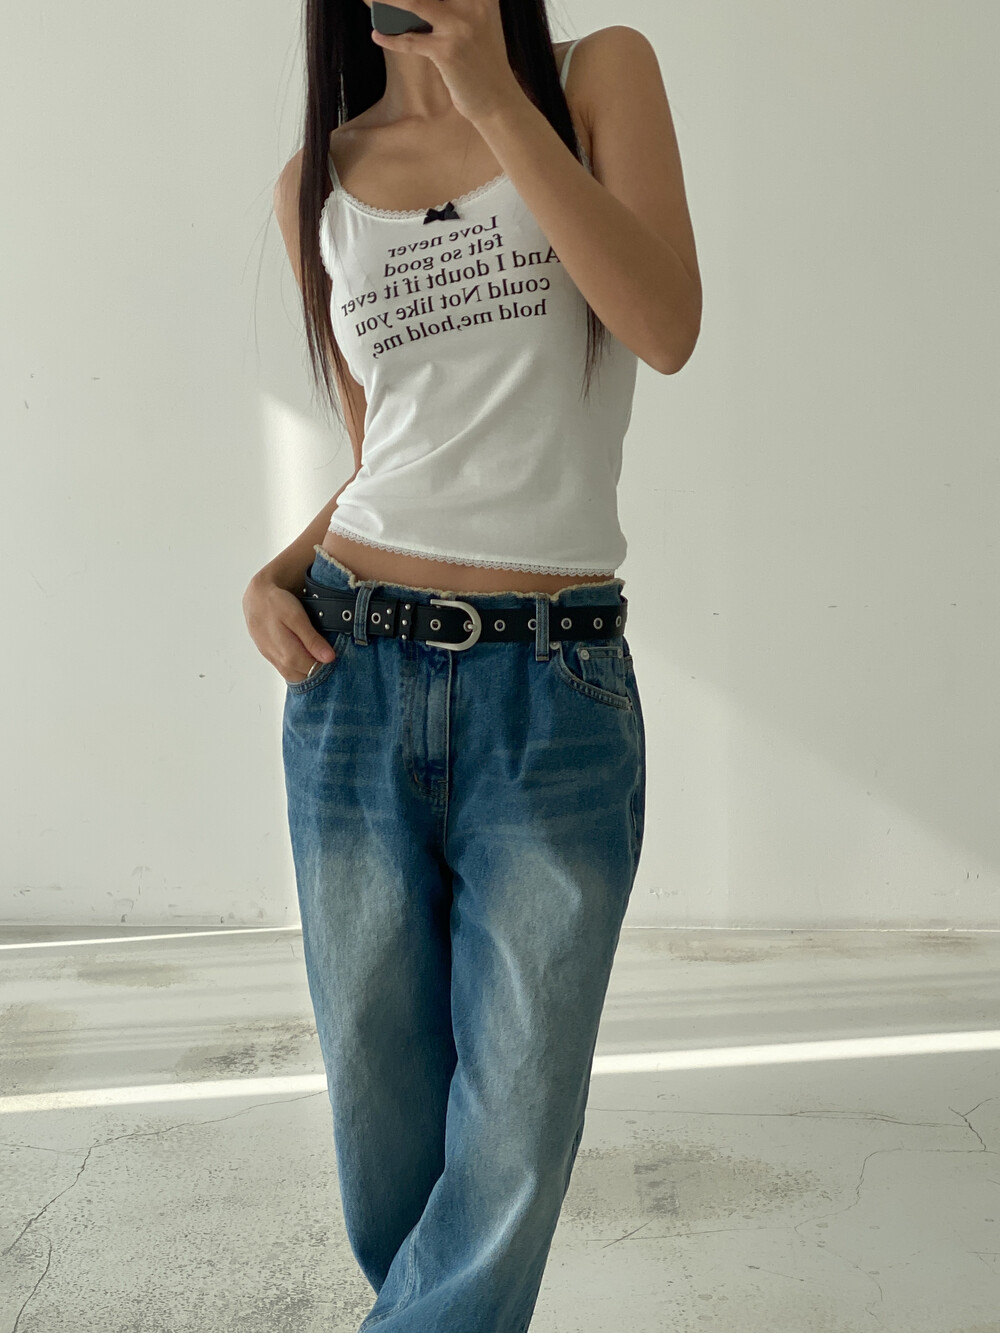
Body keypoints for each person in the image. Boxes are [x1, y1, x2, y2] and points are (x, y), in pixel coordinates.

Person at [243, 3, 701, 1328]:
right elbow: (390, 457)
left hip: (553, 692)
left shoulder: (597, 78)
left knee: (511, 1132)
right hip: (353, 671)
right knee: (385, 1132)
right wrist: (274, 572)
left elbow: (664, 323)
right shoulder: (315, 183)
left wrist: (491, 91)